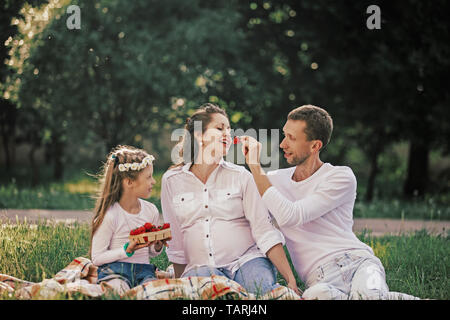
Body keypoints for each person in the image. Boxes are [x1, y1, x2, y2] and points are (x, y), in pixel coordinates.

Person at [240, 105, 419, 300]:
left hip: (358, 263)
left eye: (291, 138)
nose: (283, 144)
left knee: (368, 296)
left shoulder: (340, 177)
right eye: (284, 135)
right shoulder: (272, 181)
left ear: (315, 146)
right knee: (316, 296)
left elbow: (291, 215)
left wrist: (255, 167)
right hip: (320, 279)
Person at [161, 103, 300, 296]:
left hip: (247, 260)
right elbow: (174, 238)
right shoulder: (172, 180)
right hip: (201, 266)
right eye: (220, 128)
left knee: (261, 292)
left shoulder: (241, 176)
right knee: (207, 294)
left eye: (229, 129)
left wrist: (290, 279)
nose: (228, 133)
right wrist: (179, 282)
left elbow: (264, 230)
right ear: (200, 135)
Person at [90, 145, 169, 295]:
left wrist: (157, 245)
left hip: (145, 272)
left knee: (156, 294)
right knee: (117, 290)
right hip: (115, 271)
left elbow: (151, 253)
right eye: (148, 177)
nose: (153, 181)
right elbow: (97, 258)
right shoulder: (110, 215)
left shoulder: (151, 210)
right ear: (129, 182)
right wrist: (126, 250)